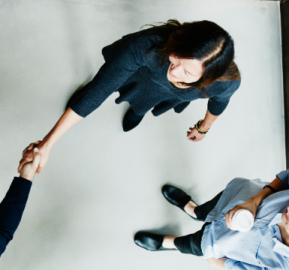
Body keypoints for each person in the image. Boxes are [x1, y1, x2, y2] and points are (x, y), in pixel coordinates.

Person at [20, 20, 241, 173]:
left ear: (207, 80)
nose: (174, 72)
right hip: (141, 74)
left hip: (165, 94)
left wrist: (203, 128)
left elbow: (219, 103)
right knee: (101, 90)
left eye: (187, 73)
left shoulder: (225, 82)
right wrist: (47, 144)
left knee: (145, 103)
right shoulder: (149, 45)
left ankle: (137, 112)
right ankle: (129, 107)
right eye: (176, 59)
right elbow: (99, 89)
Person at [134, 169, 289, 269]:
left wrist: (222, 263)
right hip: (241, 200)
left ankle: (168, 242)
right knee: (209, 209)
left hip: (222, 242)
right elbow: (286, 177)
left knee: (194, 244)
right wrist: (256, 200)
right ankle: (194, 210)